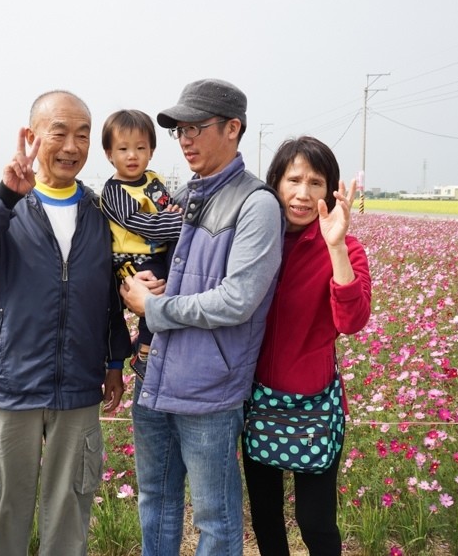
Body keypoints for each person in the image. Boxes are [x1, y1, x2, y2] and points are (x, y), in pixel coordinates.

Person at [0, 90, 132, 556]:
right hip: (13, 384)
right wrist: (5, 194)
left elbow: (109, 296)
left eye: (83, 135)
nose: (71, 147)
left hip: (79, 388)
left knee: (70, 513)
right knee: (4, 510)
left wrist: (113, 363)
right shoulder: (4, 206)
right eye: (59, 133)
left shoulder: (100, 213)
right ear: (32, 136)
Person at [120, 78, 283, 556]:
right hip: (154, 376)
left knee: (215, 516)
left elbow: (237, 300)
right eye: (179, 130)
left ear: (233, 128)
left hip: (209, 389)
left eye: (195, 128)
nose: (184, 139)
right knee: (155, 500)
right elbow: (178, 272)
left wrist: (154, 307)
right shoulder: (185, 195)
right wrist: (149, 283)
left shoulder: (256, 204)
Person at [242, 136, 372, 556]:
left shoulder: (346, 248)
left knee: (315, 521)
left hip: (313, 404)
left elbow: (352, 321)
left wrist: (335, 247)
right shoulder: (254, 241)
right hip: (256, 399)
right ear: (274, 183)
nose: (302, 194)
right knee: (265, 515)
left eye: (315, 182)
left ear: (330, 191)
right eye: (293, 180)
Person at [99, 109, 183, 379]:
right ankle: (144, 353)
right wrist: (180, 224)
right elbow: (140, 223)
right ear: (109, 154)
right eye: (123, 149)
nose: (132, 155)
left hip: (155, 254)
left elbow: (167, 206)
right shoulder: (114, 191)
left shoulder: (153, 180)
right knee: (154, 296)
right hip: (127, 259)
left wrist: (171, 214)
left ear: (151, 151)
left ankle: (144, 344)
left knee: (173, 290)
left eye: (140, 148)